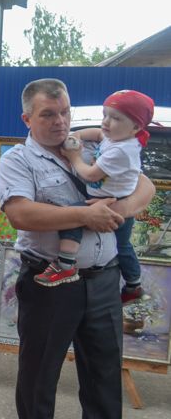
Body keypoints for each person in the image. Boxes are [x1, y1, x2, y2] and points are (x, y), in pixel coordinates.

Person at [0, 78, 152, 419]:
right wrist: (85, 215)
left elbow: (145, 186)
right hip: (50, 278)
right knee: (41, 368)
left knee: (104, 369)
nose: (60, 121)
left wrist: (117, 210)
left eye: (64, 112)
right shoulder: (18, 160)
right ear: (27, 119)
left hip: (104, 276)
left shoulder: (94, 147)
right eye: (48, 114)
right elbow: (21, 214)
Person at [34, 90, 155, 302]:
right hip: (112, 197)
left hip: (112, 201)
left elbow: (90, 175)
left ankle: (65, 264)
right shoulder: (116, 138)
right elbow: (99, 134)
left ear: (136, 127)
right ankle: (133, 285)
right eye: (105, 114)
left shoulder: (122, 151)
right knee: (123, 246)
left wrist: (74, 156)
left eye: (115, 118)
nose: (106, 122)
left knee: (72, 217)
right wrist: (79, 135)